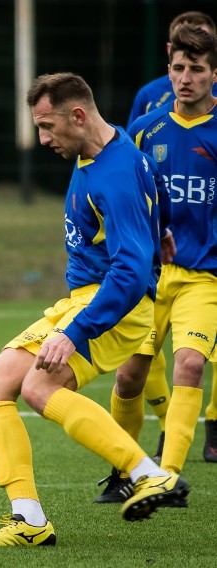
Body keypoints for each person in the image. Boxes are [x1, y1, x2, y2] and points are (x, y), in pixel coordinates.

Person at [0, 72, 189, 548]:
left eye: (47, 126)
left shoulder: (112, 173)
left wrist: (75, 331)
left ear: (78, 115)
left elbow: (130, 273)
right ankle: (29, 521)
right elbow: (156, 192)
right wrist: (163, 230)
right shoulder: (103, 151)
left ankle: (149, 473)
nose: (42, 138)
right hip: (83, 300)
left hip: (108, 303)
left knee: (38, 387)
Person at [94, 25, 217, 504]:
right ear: (169, 70)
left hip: (203, 278)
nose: (186, 78)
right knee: (129, 376)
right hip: (149, 276)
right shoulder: (146, 130)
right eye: (179, 68)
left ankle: (167, 476)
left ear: (214, 74)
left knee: (189, 364)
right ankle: (124, 471)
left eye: (197, 69)